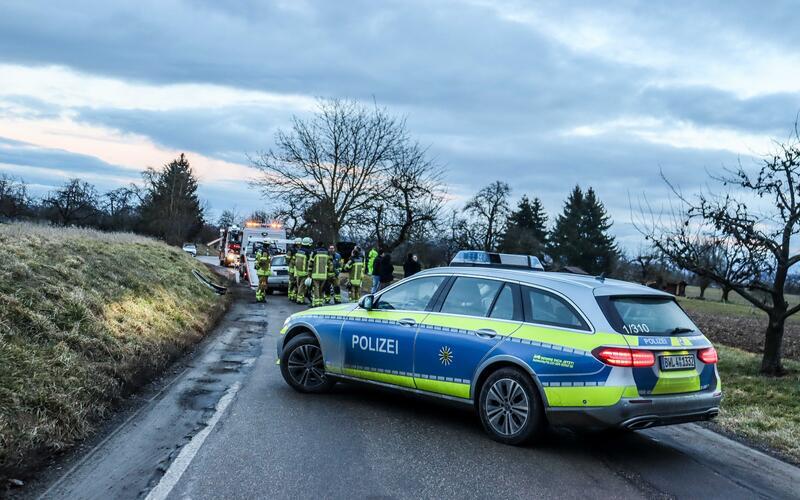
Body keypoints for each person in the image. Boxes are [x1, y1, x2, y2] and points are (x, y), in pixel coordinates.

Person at [309, 241, 331, 307]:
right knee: (321, 289)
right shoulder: (327, 252)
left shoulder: (314, 252)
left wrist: (309, 273)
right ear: (323, 245)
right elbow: (330, 264)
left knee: (316, 288)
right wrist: (329, 273)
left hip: (315, 274)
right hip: (324, 275)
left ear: (317, 245)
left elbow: (310, 263)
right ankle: (321, 302)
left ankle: (316, 303)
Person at [294, 237, 313, 305]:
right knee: (302, 286)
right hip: (305, 272)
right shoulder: (308, 252)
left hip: (298, 271)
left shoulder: (299, 251)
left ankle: (300, 298)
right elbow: (311, 262)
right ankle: (300, 300)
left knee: (299, 286)